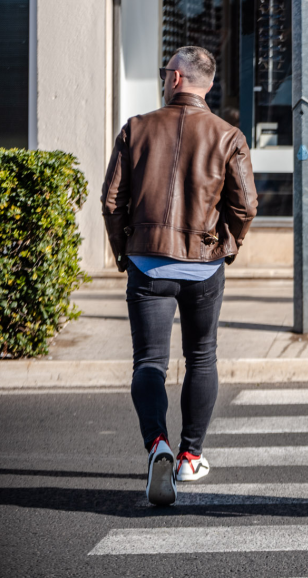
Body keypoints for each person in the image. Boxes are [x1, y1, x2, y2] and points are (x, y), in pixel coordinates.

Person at [101, 46, 258, 506]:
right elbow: (246, 205)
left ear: (174, 78)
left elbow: (112, 202)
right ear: (205, 86)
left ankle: (158, 446)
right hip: (203, 264)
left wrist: (124, 252)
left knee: (149, 362)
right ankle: (191, 456)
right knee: (201, 357)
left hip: (148, 261)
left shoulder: (137, 128)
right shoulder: (228, 135)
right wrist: (224, 243)